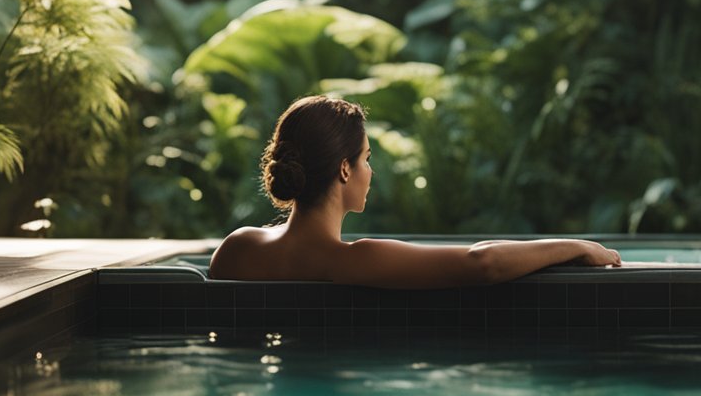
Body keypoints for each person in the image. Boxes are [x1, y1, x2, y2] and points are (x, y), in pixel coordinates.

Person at [209, 95, 621, 287]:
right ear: (344, 170)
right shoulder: (352, 261)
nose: (372, 170)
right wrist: (577, 246)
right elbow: (484, 264)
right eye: (367, 158)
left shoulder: (237, 249)